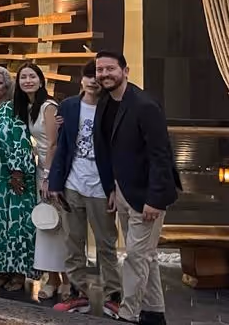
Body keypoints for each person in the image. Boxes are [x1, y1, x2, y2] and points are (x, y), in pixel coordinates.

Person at [93, 51, 179, 325]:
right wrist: (111, 188)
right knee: (145, 257)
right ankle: (154, 312)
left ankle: (128, 314)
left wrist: (155, 199)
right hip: (122, 191)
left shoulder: (145, 105)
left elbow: (161, 155)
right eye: (100, 70)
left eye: (110, 69)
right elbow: (108, 150)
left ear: (125, 71)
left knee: (135, 257)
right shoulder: (105, 101)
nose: (104, 74)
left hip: (147, 196)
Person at [48, 61, 122, 318]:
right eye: (88, 76)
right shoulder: (68, 106)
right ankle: (77, 294)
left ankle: (114, 296)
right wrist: (55, 182)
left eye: (97, 77)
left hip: (101, 185)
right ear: (82, 79)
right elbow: (62, 146)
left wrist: (115, 187)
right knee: (73, 243)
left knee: (106, 244)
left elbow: (118, 151)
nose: (93, 81)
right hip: (72, 184)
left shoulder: (113, 106)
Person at [0, 66, 38, 292]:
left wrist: (17, 173)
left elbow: (20, 141)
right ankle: (1, 270)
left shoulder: (14, 109)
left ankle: (19, 274)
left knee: (17, 226)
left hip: (14, 177)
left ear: (7, 86)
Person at [14, 62, 69, 299]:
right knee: (46, 225)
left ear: (40, 80)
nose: (28, 81)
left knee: (61, 225)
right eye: (23, 77)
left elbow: (54, 144)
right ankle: (51, 278)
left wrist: (48, 177)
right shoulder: (27, 107)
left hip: (54, 171)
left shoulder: (48, 106)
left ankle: (68, 280)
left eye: (32, 76)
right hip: (40, 169)